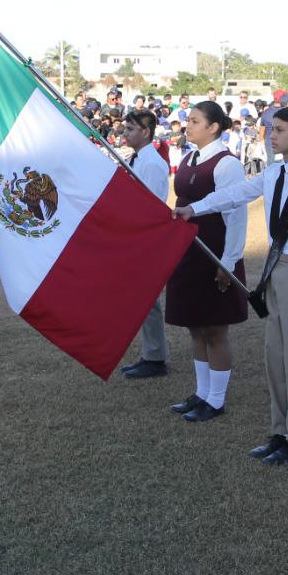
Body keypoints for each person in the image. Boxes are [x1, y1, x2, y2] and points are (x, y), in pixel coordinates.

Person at [178, 106, 288, 465]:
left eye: (279, 130)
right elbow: (234, 195)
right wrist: (194, 209)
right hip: (275, 271)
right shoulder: (273, 171)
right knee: (274, 357)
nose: (272, 135)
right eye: (271, 129)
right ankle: (280, 432)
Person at [164, 101, 249, 424]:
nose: (189, 125)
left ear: (213, 127)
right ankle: (201, 393)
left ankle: (216, 400)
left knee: (215, 328)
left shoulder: (227, 164)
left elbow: (236, 215)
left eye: (196, 121)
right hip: (189, 252)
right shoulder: (189, 157)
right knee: (195, 327)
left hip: (213, 251)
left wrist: (227, 263)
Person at [120, 109, 174, 380]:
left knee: (147, 300)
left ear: (146, 131)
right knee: (143, 300)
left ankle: (155, 357)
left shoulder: (151, 163)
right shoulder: (139, 158)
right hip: (135, 235)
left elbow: (150, 206)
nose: (125, 133)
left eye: (130, 129)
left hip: (143, 238)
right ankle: (151, 354)